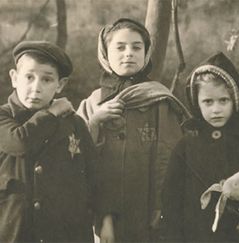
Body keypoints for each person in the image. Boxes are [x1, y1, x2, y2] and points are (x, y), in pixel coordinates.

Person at [77, 18, 190, 242]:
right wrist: (94, 122)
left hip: (149, 214)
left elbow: (170, 158)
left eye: (136, 47)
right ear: (105, 54)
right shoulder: (92, 103)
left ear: (146, 54)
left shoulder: (160, 102)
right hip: (104, 217)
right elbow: (78, 163)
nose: (128, 53)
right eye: (120, 47)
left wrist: (163, 207)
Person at [161, 52, 239, 242]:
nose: (216, 109)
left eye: (223, 100)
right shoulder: (186, 146)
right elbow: (171, 198)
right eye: (208, 102)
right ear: (196, 103)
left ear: (235, 100)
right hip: (194, 234)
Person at [0, 41, 97, 242]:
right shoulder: (3, 117)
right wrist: (51, 112)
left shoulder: (74, 123)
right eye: (29, 77)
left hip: (64, 232)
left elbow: (93, 174)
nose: (36, 88)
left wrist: (104, 218)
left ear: (60, 85)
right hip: (13, 231)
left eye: (46, 80)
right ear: (14, 78)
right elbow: (21, 142)